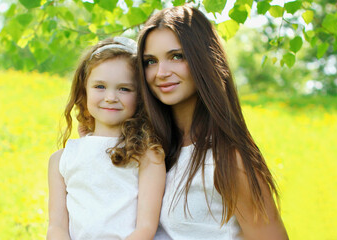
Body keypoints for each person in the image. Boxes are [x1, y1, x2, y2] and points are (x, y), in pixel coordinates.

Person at [136, 5, 288, 240]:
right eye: (150, 61)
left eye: (177, 56)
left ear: (203, 59)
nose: (161, 72)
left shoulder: (229, 160)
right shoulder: (153, 150)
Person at [47, 37, 166, 240]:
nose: (110, 97)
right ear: (83, 91)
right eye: (100, 86)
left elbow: (145, 228)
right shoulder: (61, 160)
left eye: (124, 89)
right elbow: (57, 226)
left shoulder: (148, 155)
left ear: (140, 97)